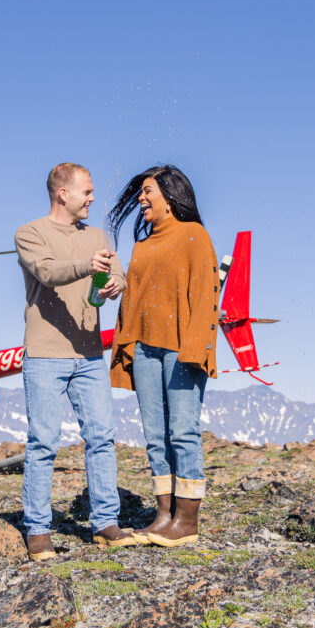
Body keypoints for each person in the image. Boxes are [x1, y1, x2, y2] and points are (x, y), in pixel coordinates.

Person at [15, 162, 139, 560]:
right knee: (44, 442)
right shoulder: (30, 233)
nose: (92, 198)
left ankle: (105, 523)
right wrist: (88, 266)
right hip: (45, 355)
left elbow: (117, 276)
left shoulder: (99, 236)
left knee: (101, 436)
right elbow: (47, 272)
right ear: (62, 193)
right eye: (86, 191)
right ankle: (38, 529)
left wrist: (117, 282)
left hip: (88, 356)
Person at [108, 164, 219, 547]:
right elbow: (133, 300)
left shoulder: (194, 236)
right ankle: (164, 514)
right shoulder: (143, 244)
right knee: (155, 436)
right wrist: (126, 344)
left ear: (170, 196)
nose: (141, 198)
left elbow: (206, 296)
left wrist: (196, 349)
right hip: (144, 349)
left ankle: (187, 520)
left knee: (183, 432)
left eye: (148, 191)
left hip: (180, 349)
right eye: (140, 193)